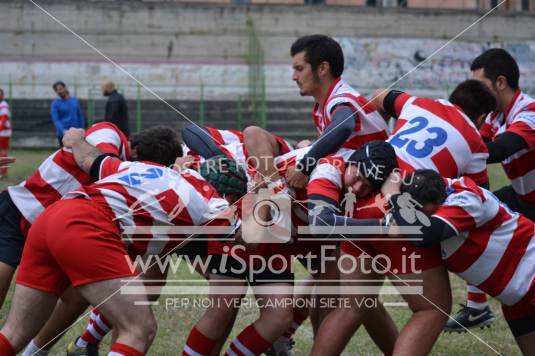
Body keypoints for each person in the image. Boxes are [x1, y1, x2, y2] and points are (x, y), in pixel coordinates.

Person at [0, 128, 242, 356]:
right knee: (138, 329)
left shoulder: (144, 168)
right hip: (88, 226)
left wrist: (74, 140)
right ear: (229, 195)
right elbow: (248, 238)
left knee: (14, 332)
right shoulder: (212, 203)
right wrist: (257, 202)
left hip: (53, 216)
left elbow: (89, 159)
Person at [307, 141, 451, 355]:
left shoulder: (336, 161)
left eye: (365, 183)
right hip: (385, 212)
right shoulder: (329, 168)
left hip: (354, 217)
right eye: (357, 178)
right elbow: (320, 225)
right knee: (431, 308)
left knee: (351, 307)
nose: (355, 188)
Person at [385, 169, 535, 355]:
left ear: (438, 202)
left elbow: (423, 235)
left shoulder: (465, 199)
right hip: (516, 300)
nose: (417, 219)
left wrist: (393, 197)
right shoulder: (432, 195)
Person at [445, 48, 535, 332]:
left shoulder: (529, 111)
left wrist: (455, 147)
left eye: (480, 85)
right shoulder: (496, 117)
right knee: (474, 219)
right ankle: (477, 310)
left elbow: (498, 149)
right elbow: (474, 141)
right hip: (524, 195)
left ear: (500, 82)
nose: (475, 92)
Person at [244, 34, 389, 192]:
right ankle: (277, 194)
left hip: (366, 183)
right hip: (352, 176)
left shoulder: (341, 98)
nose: (294, 77)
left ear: (322, 69)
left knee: (261, 163)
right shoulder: (326, 102)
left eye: (299, 69)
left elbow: (343, 126)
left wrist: (305, 167)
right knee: (254, 134)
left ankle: (278, 198)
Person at [371, 79, 497, 188]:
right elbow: (480, 195)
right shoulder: (476, 143)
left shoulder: (419, 103)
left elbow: (378, 95)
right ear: (481, 118)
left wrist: (380, 143)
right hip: (405, 192)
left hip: (369, 165)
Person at [50, 81, 85, 147]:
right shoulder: (55, 104)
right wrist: (63, 131)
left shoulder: (74, 100)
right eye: (57, 90)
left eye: (60, 88)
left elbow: (80, 116)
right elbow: (56, 120)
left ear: (65, 88)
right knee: (66, 156)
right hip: (64, 135)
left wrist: (82, 128)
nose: (59, 91)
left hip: (76, 133)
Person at [0, 89, 12, 178]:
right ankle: (3, 172)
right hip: (3, 132)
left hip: (3, 133)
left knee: (3, 153)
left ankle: (3, 172)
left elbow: (3, 121)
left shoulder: (3, 105)